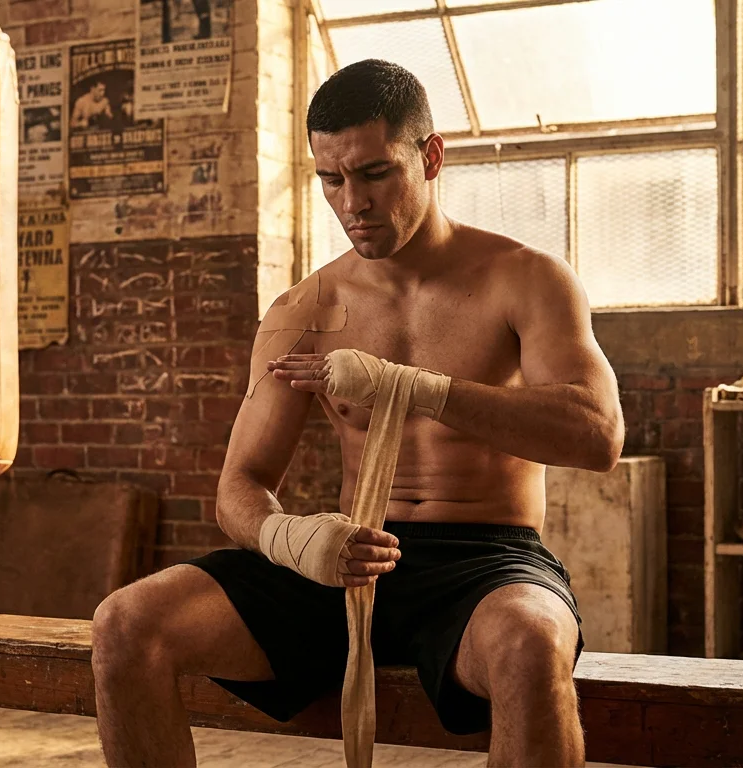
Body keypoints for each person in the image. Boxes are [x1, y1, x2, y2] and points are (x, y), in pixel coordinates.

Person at [91, 59, 624, 768]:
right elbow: (239, 487)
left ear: (431, 157)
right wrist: (293, 539)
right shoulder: (303, 312)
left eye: (375, 174)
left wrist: (420, 387)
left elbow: (597, 435)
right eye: (330, 179)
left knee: (530, 645)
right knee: (126, 623)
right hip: (344, 558)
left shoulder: (523, 279)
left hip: (484, 564)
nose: (353, 203)